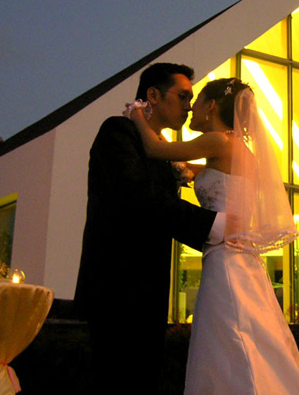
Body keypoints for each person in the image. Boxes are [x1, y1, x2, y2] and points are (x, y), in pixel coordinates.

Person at [128, 77, 299, 394]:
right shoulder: (239, 151)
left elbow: (155, 149)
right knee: (251, 338)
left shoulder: (217, 140)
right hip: (242, 259)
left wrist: (136, 114)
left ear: (212, 106)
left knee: (228, 338)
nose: (192, 108)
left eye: (197, 100)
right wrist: (186, 170)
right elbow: (205, 174)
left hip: (224, 259)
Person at [74, 63, 226, 395]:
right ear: (153, 96)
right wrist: (213, 226)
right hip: (115, 289)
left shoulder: (161, 148)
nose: (189, 106)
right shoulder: (117, 132)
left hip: (150, 292)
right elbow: (139, 196)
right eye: (183, 96)